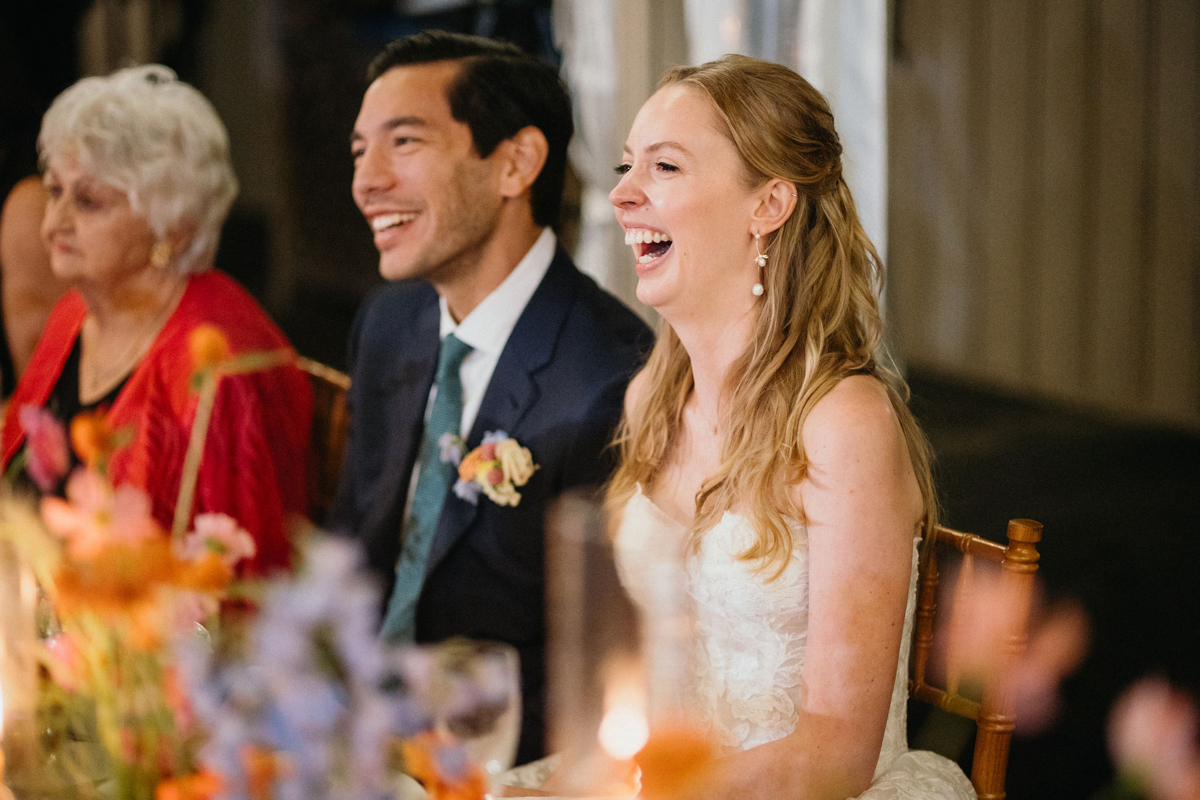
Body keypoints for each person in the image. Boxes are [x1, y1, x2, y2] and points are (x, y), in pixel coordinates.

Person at [606, 56, 975, 798]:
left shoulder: (844, 425)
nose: (622, 194)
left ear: (768, 203)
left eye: (666, 167)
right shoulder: (650, 395)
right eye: (626, 166)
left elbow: (836, 753)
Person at [334, 31, 651, 764]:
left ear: (515, 163)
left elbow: (596, 670)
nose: (366, 182)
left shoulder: (613, 380)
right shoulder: (390, 322)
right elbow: (352, 546)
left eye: (402, 143)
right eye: (359, 152)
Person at [0, 65, 312, 575]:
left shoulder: (221, 368)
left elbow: (235, 592)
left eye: (89, 201)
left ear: (177, 229)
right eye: (55, 191)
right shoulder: (76, 311)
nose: (54, 222)